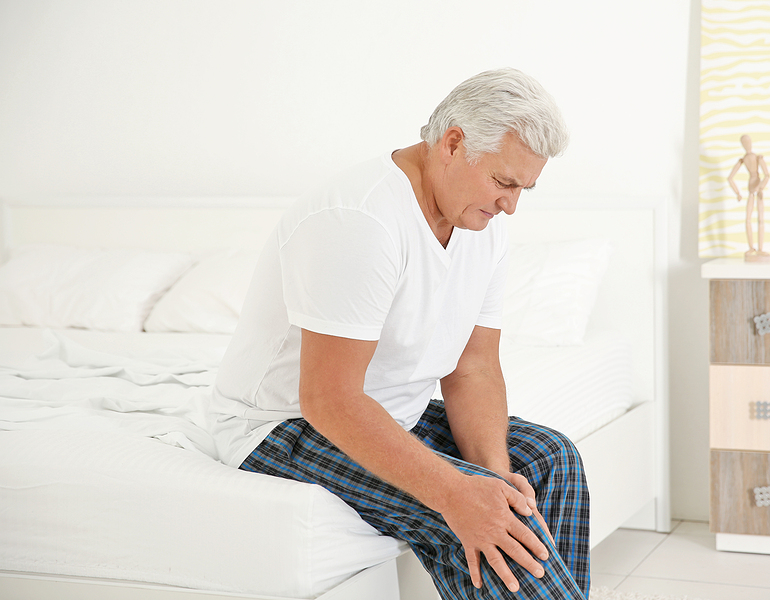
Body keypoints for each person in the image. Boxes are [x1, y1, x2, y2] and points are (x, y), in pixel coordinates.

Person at [210, 68, 590, 599]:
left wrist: (494, 479)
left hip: (388, 412)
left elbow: (473, 366)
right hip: (282, 425)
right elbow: (329, 399)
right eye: (504, 183)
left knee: (549, 460)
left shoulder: (483, 226)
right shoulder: (360, 218)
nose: (511, 205)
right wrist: (460, 495)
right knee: (475, 517)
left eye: (524, 188)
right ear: (453, 144)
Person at [727, 134, 770, 262]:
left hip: (754, 186)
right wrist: (738, 192)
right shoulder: (752, 158)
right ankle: (754, 248)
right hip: (754, 186)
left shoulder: (748, 159)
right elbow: (767, 175)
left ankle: (758, 248)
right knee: (752, 219)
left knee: (754, 219)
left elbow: (767, 175)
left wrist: (738, 192)